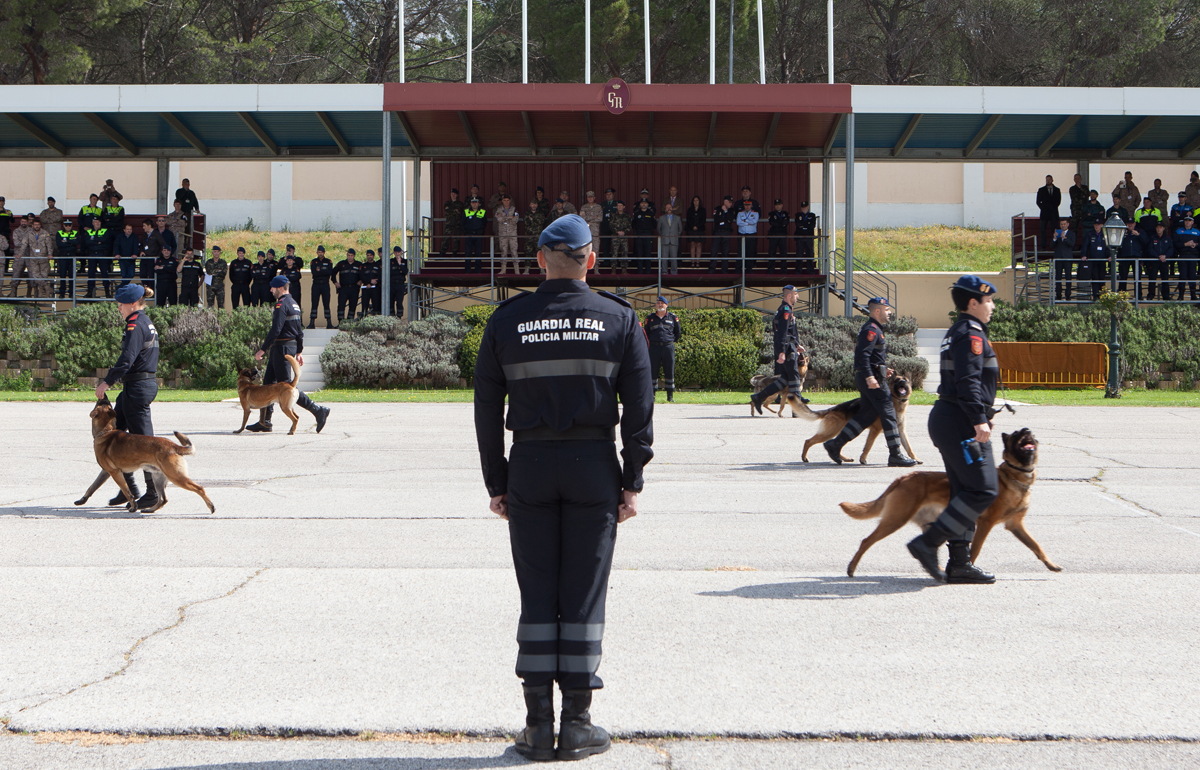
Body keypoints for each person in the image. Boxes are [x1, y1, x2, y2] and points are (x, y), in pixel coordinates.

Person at [472, 214, 652, 763]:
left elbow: (485, 409)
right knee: (582, 592)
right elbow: (640, 408)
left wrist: (496, 481)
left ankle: (536, 725)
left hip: (528, 464)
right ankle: (577, 723)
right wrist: (632, 480)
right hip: (593, 465)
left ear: (539, 261)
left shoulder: (508, 319)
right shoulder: (618, 318)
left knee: (537, 592)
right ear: (591, 261)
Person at [906, 276, 1000, 585]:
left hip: (951, 417)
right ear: (973, 303)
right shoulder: (970, 334)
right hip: (960, 421)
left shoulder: (958, 331)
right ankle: (928, 542)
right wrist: (978, 418)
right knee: (983, 489)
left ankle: (960, 563)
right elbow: (968, 380)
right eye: (989, 301)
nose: (992, 306)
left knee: (963, 491)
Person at [820, 297, 918, 468]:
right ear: (877, 311)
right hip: (871, 379)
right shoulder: (871, 330)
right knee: (889, 413)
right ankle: (895, 455)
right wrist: (870, 377)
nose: (889, 313)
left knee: (867, 416)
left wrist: (882, 369)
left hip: (872, 376)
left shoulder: (876, 329)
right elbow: (862, 356)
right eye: (886, 310)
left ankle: (835, 445)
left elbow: (872, 357)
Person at [94, 283, 162, 511]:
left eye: (121, 304)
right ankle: (129, 488)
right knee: (112, 435)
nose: (119, 308)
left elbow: (127, 358)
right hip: (134, 387)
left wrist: (107, 381)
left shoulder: (136, 324)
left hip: (138, 388)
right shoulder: (144, 322)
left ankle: (152, 493)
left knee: (145, 442)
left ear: (133, 303)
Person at [245, 276, 331, 434]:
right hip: (285, 347)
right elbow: (299, 331)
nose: (271, 290)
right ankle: (265, 421)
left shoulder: (282, 304)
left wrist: (262, 349)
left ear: (279, 288)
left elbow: (276, 329)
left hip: (282, 348)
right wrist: (298, 350)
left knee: (287, 386)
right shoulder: (294, 304)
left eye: (273, 287)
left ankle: (318, 410)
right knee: (268, 383)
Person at [749, 285, 811, 414]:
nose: (797, 296)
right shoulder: (785, 310)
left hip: (789, 347)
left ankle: (758, 397)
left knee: (784, 380)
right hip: (787, 349)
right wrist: (782, 351)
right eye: (795, 294)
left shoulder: (785, 309)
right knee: (794, 377)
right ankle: (797, 410)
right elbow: (782, 332)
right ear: (789, 295)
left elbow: (788, 331)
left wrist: (797, 344)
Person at [643, 295, 681, 401]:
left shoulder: (673, 317)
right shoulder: (650, 318)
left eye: (662, 303)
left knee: (669, 371)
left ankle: (670, 396)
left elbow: (677, 333)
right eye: (658, 303)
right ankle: (652, 395)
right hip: (654, 348)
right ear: (655, 305)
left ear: (666, 305)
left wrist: (669, 342)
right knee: (653, 371)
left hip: (668, 347)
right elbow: (646, 333)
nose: (660, 305)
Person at [82, 216, 114, 299]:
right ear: (92, 223)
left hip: (102, 254)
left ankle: (107, 292)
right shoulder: (89, 232)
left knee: (104, 273)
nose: (97, 223)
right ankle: (90, 292)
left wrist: (94, 240)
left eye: (99, 222)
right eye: (95, 222)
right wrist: (99, 241)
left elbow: (106, 240)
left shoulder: (105, 231)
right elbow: (87, 242)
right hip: (92, 254)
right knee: (91, 274)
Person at [23, 216, 54, 299]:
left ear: (40, 225)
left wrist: (50, 254)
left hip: (43, 257)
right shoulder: (28, 234)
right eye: (35, 224)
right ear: (32, 225)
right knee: (35, 275)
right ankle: (47, 287)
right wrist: (20, 254)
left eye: (38, 224)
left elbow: (49, 245)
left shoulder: (45, 233)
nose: (37, 226)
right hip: (33, 258)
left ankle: (42, 293)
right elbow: (24, 244)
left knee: (44, 275)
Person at [1078, 220, 1108, 302]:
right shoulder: (1089, 234)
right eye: (1095, 224)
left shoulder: (1105, 234)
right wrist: (1084, 255)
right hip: (1093, 260)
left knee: (1102, 278)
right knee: (1095, 278)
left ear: (1101, 225)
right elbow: (1085, 245)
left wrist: (1109, 256)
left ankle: (1102, 296)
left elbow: (1108, 246)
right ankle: (1095, 296)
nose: (1096, 226)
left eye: (1098, 225)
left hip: (1102, 260)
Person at [1144, 222, 1174, 301]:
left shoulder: (1168, 238)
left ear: (1163, 228)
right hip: (1154, 261)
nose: (1158, 229)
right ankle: (1151, 295)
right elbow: (1150, 249)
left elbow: (1171, 248)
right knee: (1152, 278)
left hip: (1164, 261)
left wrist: (1165, 256)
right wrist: (1157, 256)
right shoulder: (1152, 237)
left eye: (1160, 227)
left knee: (1165, 278)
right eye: (1157, 227)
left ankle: (1166, 296)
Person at [1175, 215, 1200, 302]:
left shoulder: (1197, 232)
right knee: (1182, 276)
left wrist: (1196, 245)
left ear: (1192, 222)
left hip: (1193, 256)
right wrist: (1185, 244)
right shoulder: (1178, 231)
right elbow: (1175, 244)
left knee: (1192, 276)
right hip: (1182, 255)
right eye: (1186, 221)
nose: (1187, 222)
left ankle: (1193, 295)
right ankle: (1181, 295)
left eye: (1189, 221)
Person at [333, 248, 362, 323]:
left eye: (351, 255)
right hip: (343, 288)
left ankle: (349, 323)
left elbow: (364, 275)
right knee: (341, 306)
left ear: (354, 256)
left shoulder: (359, 265)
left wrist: (361, 281)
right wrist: (336, 282)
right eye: (348, 255)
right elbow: (333, 273)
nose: (350, 257)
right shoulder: (341, 264)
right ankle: (340, 322)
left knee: (352, 306)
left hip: (354, 288)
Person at [308, 245, 335, 327]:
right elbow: (314, 273)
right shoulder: (313, 261)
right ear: (317, 252)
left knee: (326, 303)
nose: (320, 254)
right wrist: (324, 271)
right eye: (319, 252)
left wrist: (320, 270)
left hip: (325, 284)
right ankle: (312, 322)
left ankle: (329, 323)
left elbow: (330, 272)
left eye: (321, 252)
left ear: (324, 253)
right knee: (314, 303)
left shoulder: (328, 261)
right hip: (316, 284)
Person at [1116, 220, 1144, 294]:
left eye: (1131, 223)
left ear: (1134, 224)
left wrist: (1138, 235)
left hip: (1136, 257)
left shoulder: (1140, 231)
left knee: (1137, 277)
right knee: (1123, 277)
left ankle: (1139, 296)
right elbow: (1116, 243)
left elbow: (1146, 242)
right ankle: (1121, 295)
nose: (1130, 225)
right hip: (1124, 257)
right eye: (1128, 223)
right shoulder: (1123, 231)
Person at [495, 195, 520, 275]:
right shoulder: (499, 209)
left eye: (507, 200)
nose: (506, 202)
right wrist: (510, 218)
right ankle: (503, 270)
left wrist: (505, 218)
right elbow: (499, 219)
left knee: (514, 250)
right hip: (503, 234)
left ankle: (517, 270)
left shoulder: (514, 209)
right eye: (504, 200)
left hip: (512, 233)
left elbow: (516, 219)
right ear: (502, 201)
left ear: (510, 201)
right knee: (503, 250)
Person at [1051, 219, 1076, 302]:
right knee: (1058, 277)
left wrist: (1065, 238)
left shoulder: (1071, 234)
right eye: (1061, 224)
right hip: (1058, 258)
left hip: (1067, 258)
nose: (1063, 225)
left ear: (1068, 224)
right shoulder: (1057, 233)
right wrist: (1054, 238)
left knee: (1068, 277)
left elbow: (1072, 244)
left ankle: (1068, 295)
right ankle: (1058, 295)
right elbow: (1052, 246)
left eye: (1064, 224)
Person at [710, 196, 735, 273]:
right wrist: (725, 219)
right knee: (714, 251)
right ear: (725, 202)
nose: (731, 204)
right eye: (729, 202)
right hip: (718, 232)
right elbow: (717, 219)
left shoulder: (731, 210)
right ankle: (712, 269)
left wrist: (726, 213)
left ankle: (724, 270)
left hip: (726, 232)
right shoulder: (717, 209)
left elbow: (731, 219)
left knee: (725, 252)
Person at [1036, 175, 1061, 250]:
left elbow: (1058, 201)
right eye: (1047, 180)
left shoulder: (1057, 190)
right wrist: (1043, 208)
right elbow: (1038, 201)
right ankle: (1043, 246)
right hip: (1044, 213)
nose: (1048, 181)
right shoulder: (1041, 190)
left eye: (1049, 180)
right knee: (1043, 230)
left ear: (1052, 180)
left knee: (1055, 229)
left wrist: (1053, 207)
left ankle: (1056, 245)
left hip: (1054, 212)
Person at [55, 218, 79, 298]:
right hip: (63, 255)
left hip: (72, 256)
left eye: (69, 225)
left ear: (72, 225)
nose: (68, 227)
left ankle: (71, 293)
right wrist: (71, 242)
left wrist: (65, 241)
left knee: (72, 276)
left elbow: (77, 243)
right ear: (63, 225)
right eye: (66, 225)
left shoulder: (75, 232)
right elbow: (59, 244)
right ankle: (62, 293)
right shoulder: (59, 233)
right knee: (62, 275)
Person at [631, 200, 656, 273]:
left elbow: (654, 224)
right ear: (640, 204)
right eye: (642, 203)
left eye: (645, 203)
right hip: (639, 234)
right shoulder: (636, 213)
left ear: (647, 204)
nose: (644, 204)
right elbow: (633, 224)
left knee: (647, 253)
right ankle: (640, 271)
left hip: (648, 235)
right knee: (639, 253)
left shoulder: (651, 213)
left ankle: (648, 271)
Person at [657, 204, 682, 275]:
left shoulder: (677, 218)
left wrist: (676, 235)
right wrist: (663, 235)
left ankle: (674, 272)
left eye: (670, 207)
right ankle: (664, 272)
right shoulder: (661, 218)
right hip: (665, 240)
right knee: (664, 258)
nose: (669, 209)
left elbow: (680, 229)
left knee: (674, 258)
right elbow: (659, 229)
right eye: (667, 208)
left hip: (674, 240)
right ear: (665, 209)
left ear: (673, 208)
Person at [523, 200, 547, 275]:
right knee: (528, 252)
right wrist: (534, 220)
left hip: (538, 236)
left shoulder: (540, 213)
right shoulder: (527, 213)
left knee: (540, 252)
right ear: (530, 204)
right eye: (532, 204)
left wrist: (532, 219)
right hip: (529, 236)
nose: (534, 205)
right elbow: (526, 222)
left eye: (535, 204)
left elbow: (541, 222)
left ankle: (542, 270)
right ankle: (526, 270)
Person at [766, 199, 789, 273]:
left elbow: (786, 222)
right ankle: (771, 270)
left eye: (779, 204)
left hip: (782, 235)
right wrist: (781, 223)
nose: (778, 206)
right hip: (774, 235)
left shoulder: (785, 213)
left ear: (782, 205)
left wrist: (779, 223)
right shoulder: (771, 214)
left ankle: (784, 270)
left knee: (783, 253)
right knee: (772, 253)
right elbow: (772, 223)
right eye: (776, 205)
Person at [113, 222, 140, 287]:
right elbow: (116, 246)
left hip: (131, 259)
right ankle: (123, 289)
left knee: (131, 274)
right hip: (122, 259)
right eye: (127, 229)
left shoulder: (134, 236)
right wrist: (117, 254)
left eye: (130, 229)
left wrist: (135, 254)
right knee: (124, 275)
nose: (129, 231)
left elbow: (136, 246)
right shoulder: (120, 236)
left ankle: (120, 287)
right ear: (124, 230)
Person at [736, 199, 759, 273]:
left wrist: (744, 221)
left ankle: (749, 270)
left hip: (751, 235)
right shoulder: (740, 213)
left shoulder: (755, 213)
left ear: (751, 205)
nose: (747, 207)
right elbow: (738, 223)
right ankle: (738, 269)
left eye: (748, 205)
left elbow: (754, 221)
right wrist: (748, 222)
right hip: (742, 235)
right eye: (746, 205)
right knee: (740, 253)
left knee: (750, 252)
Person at [463, 198, 486, 273]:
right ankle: (467, 269)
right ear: (470, 203)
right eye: (473, 202)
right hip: (468, 235)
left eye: (476, 202)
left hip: (478, 235)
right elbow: (462, 223)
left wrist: (481, 231)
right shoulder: (466, 211)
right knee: (468, 252)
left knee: (478, 253)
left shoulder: (482, 211)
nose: (474, 204)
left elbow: (485, 223)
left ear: (479, 203)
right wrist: (465, 232)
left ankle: (478, 269)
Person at [794, 202, 818, 273]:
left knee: (810, 254)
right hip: (800, 237)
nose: (804, 208)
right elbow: (798, 224)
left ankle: (810, 270)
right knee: (799, 254)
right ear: (801, 208)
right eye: (803, 207)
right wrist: (807, 224)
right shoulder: (798, 215)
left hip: (809, 237)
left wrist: (803, 225)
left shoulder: (812, 215)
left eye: (805, 207)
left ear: (808, 207)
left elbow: (812, 225)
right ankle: (798, 270)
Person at [608, 201, 631, 275]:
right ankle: (613, 269)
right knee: (614, 252)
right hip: (615, 236)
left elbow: (630, 226)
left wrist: (624, 232)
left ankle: (624, 269)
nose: (620, 207)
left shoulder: (627, 215)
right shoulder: (613, 215)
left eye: (621, 205)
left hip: (624, 236)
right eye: (618, 205)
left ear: (624, 207)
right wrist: (617, 232)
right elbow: (611, 225)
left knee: (624, 252)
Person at [443, 188, 466, 256]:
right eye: (452, 194)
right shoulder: (447, 203)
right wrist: (454, 211)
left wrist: (452, 210)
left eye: (454, 194)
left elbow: (460, 212)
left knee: (456, 238)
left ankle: (455, 252)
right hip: (449, 223)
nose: (453, 195)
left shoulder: (460, 204)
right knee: (446, 238)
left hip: (457, 224)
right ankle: (443, 252)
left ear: (457, 195)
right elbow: (447, 211)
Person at [580, 191, 603, 257]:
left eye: (591, 197)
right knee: (586, 250)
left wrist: (588, 219)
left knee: (595, 250)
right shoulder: (584, 207)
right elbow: (582, 218)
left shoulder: (598, 207)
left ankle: (596, 266)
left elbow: (600, 218)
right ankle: (587, 267)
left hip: (595, 233)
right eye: (589, 197)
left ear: (594, 198)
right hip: (586, 232)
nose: (590, 199)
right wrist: (593, 217)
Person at [358, 250, 381, 317]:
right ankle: (363, 320)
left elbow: (379, 276)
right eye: (368, 255)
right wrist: (369, 282)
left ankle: (376, 321)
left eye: (370, 255)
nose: (369, 257)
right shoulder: (363, 266)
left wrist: (372, 283)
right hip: (366, 288)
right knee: (364, 305)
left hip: (375, 288)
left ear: (373, 256)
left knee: (376, 305)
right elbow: (361, 276)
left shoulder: (378, 265)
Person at [685, 196, 705, 269]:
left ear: (699, 201)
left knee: (699, 245)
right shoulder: (690, 210)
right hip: (691, 229)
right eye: (694, 200)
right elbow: (688, 219)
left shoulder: (703, 210)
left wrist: (697, 226)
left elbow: (703, 220)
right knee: (692, 244)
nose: (696, 202)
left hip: (700, 229)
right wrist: (693, 226)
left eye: (697, 200)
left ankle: (698, 261)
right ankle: (692, 261)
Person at [600, 188, 618, 267]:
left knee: (615, 246)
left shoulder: (617, 204)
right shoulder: (602, 204)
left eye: (610, 194)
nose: (608, 196)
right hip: (605, 227)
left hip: (614, 228)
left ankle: (614, 262)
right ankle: (606, 262)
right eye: (607, 194)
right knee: (605, 245)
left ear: (613, 195)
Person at [389, 245, 409, 317]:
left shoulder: (404, 261)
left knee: (399, 302)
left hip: (400, 284)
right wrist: (399, 271)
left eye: (399, 252)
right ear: (394, 253)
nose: (397, 254)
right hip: (392, 284)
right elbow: (391, 273)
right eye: (396, 252)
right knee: (390, 302)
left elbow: (405, 272)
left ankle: (399, 317)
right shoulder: (391, 261)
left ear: (401, 252)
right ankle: (391, 316)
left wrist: (400, 264)